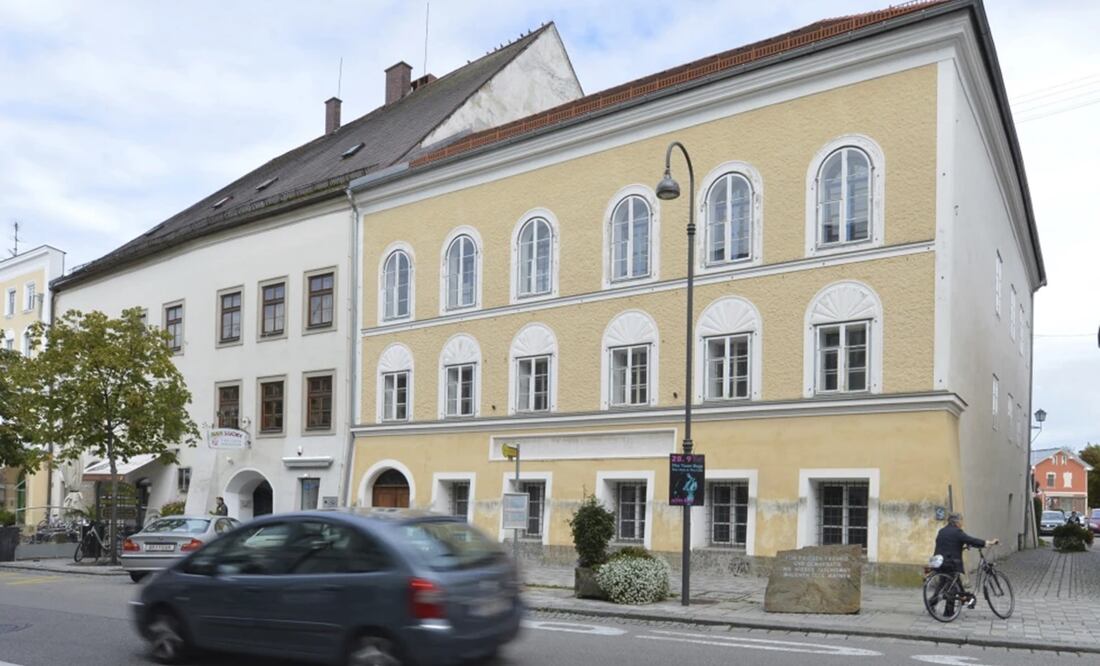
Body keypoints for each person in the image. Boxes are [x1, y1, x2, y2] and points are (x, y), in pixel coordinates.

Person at [933, 513, 998, 612]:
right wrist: (988, 543)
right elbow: (971, 540)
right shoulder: (957, 532)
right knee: (953, 587)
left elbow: (947, 544)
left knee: (943, 584)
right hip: (951, 563)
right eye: (961, 521)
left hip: (940, 562)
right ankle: (948, 613)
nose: (962, 523)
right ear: (957, 522)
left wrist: (960, 546)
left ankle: (931, 603)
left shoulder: (942, 531)